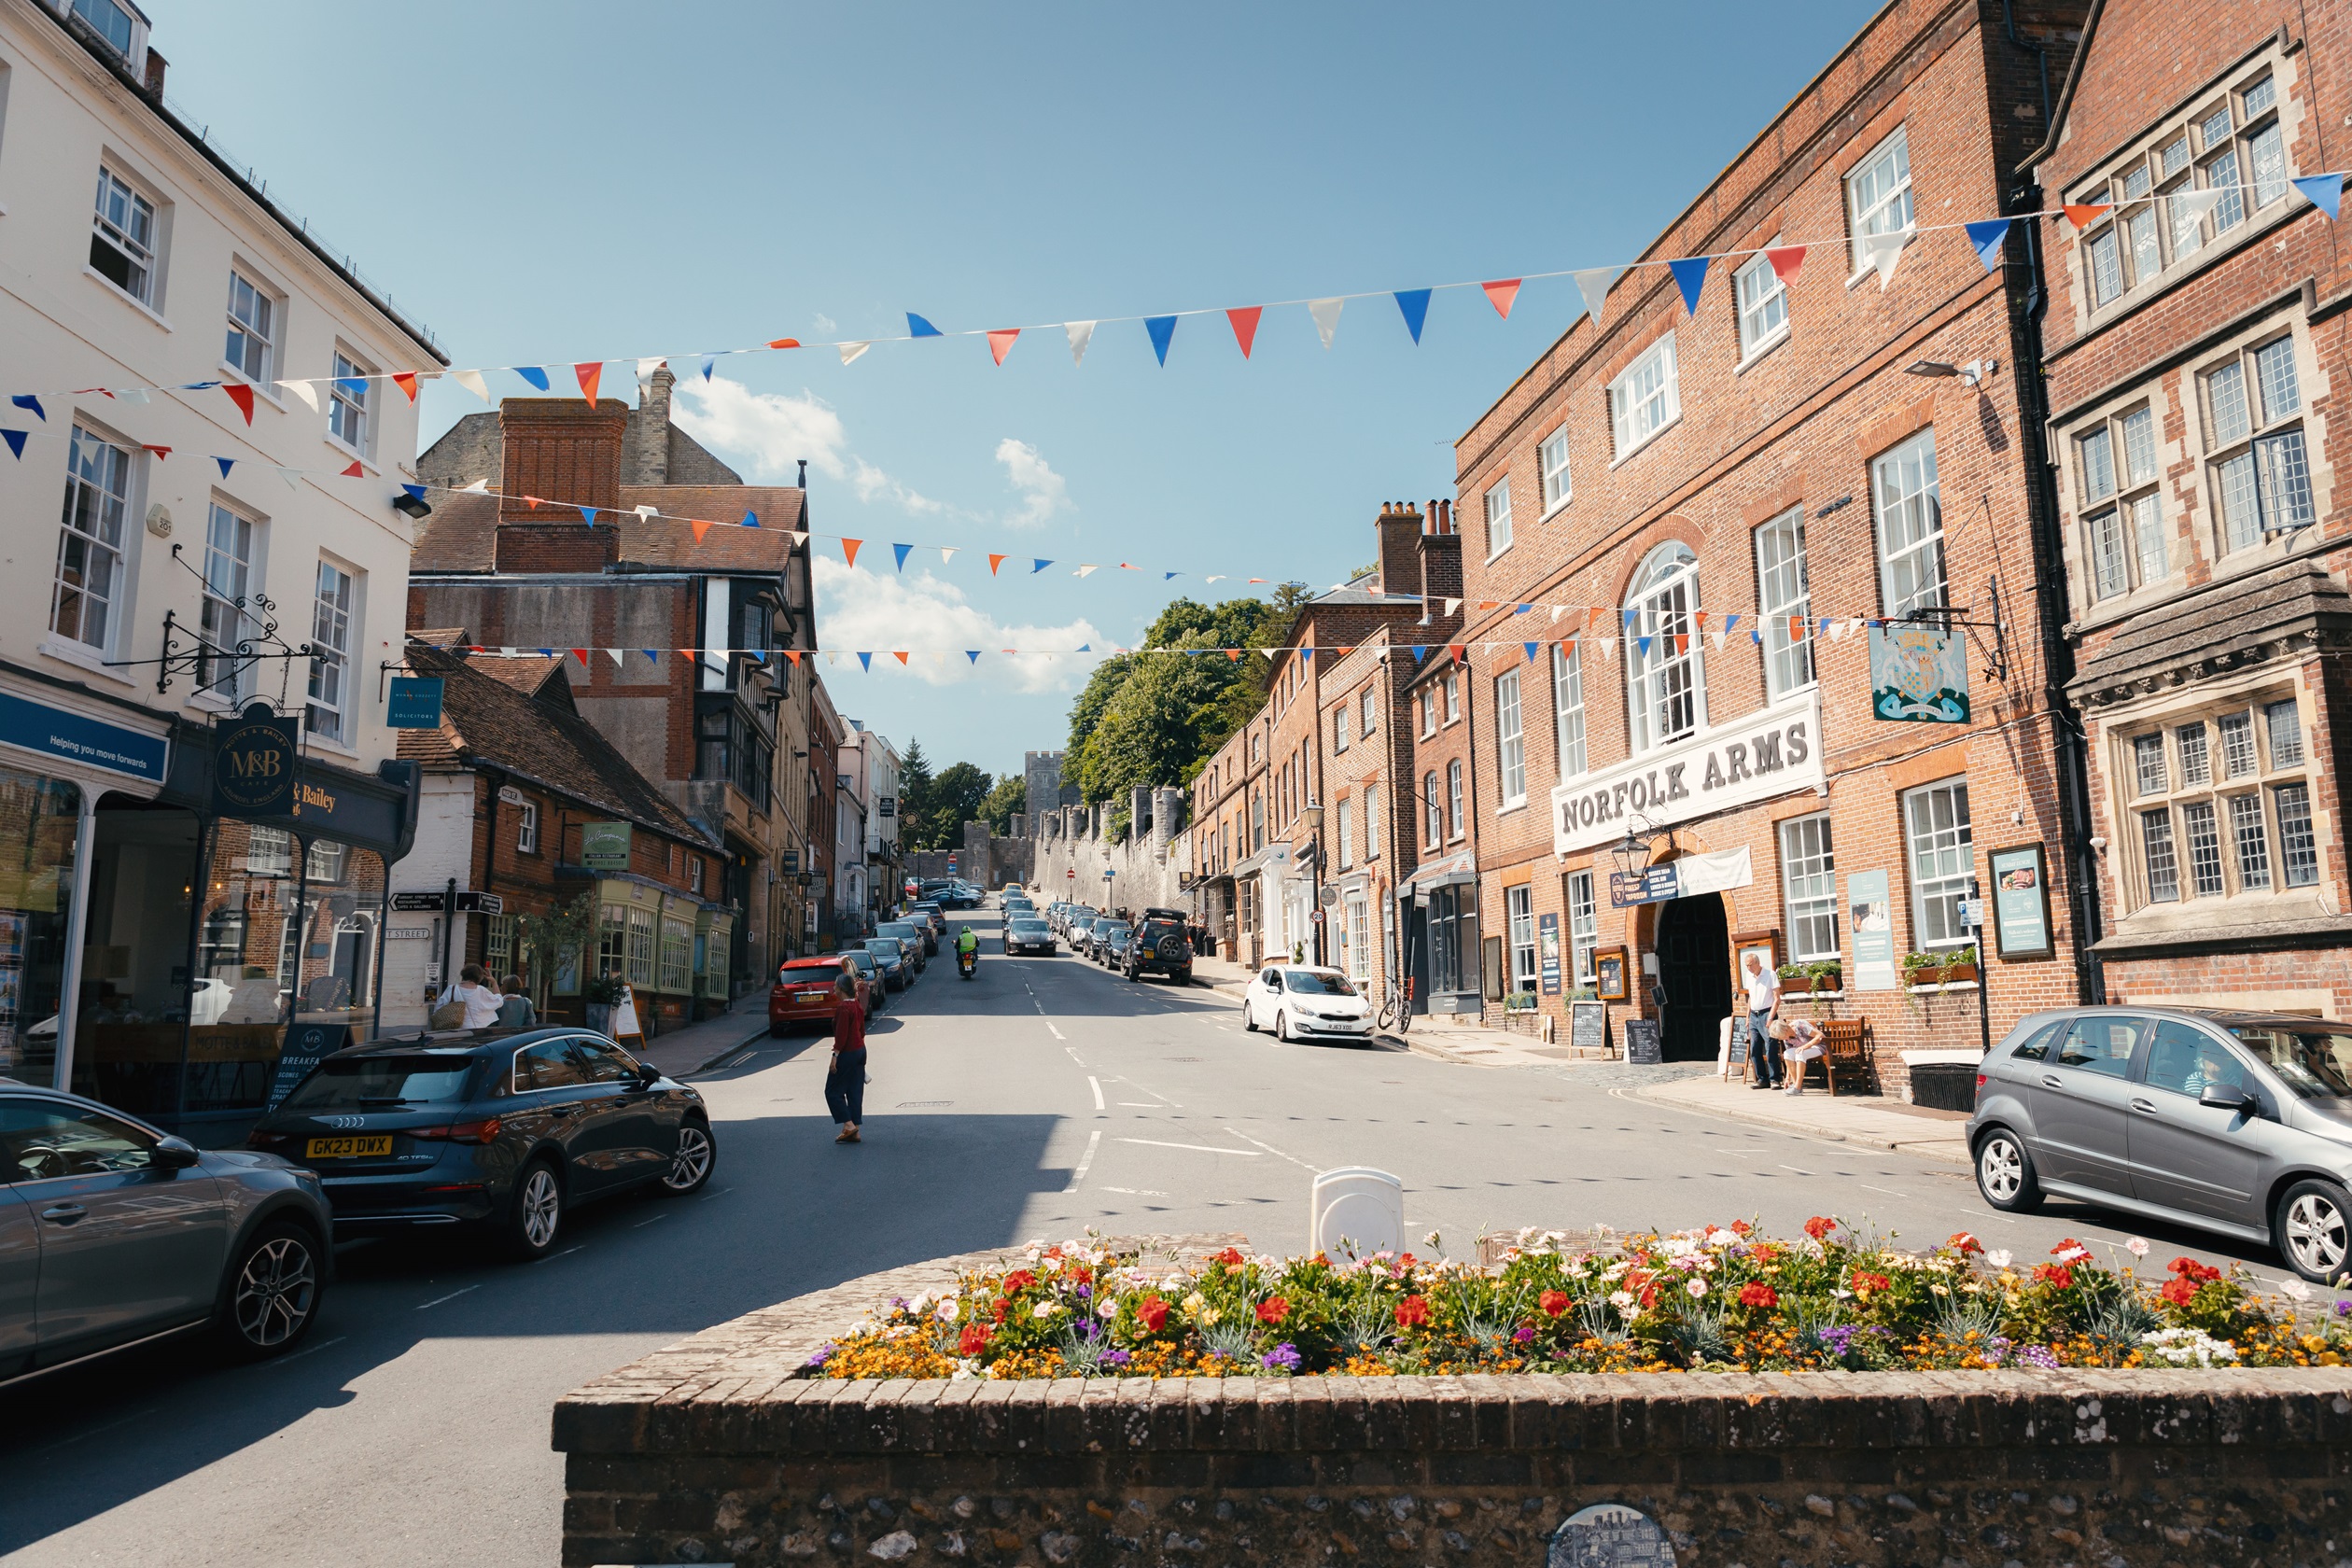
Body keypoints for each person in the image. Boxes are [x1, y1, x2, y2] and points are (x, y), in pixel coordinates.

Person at [826, 973, 867, 1143]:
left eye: (835, 986)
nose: (833, 989)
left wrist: (835, 1056)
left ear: (842, 989)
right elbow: (862, 1031)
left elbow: (841, 1037)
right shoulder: (856, 1006)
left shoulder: (843, 1008)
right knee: (854, 1091)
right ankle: (855, 1130)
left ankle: (848, 1125)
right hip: (860, 1051)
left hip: (848, 1052)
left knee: (832, 1092)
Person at [1742, 951, 1783, 1090]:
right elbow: (1751, 998)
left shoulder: (1770, 975)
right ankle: (1761, 1079)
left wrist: (1771, 1017)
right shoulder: (1749, 976)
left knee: (1770, 1047)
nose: (1748, 968)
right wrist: (1748, 1018)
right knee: (1754, 1047)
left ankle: (1775, 1079)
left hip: (1767, 1013)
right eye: (1746, 966)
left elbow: (1777, 998)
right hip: (1754, 1015)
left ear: (1758, 963)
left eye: (1750, 965)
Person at [435, 964, 503, 1029]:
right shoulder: (481, 990)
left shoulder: (452, 989)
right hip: (478, 1029)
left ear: (463, 974)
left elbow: (438, 1009)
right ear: (479, 977)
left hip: (456, 1030)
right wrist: (494, 982)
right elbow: (499, 1001)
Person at [1773, 1015, 1826, 1096]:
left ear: (1785, 1030)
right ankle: (1795, 1085)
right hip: (1802, 1050)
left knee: (1800, 1053)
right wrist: (1787, 1078)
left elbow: (1820, 1035)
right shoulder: (1786, 1038)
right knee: (1787, 1053)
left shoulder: (1800, 1025)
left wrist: (1805, 1047)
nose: (1780, 1039)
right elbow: (1789, 1058)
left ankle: (1797, 1088)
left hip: (1818, 1046)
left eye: (1780, 1036)